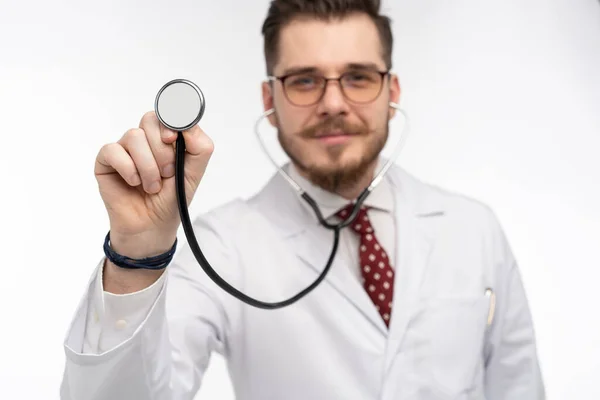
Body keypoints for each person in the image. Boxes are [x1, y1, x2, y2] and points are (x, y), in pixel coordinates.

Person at [60, 0, 545, 399]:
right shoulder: (221, 248)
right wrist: (136, 255)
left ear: (391, 91)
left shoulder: (473, 228)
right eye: (305, 81)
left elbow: (519, 387)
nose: (333, 103)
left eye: (358, 77)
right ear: (270, 102)